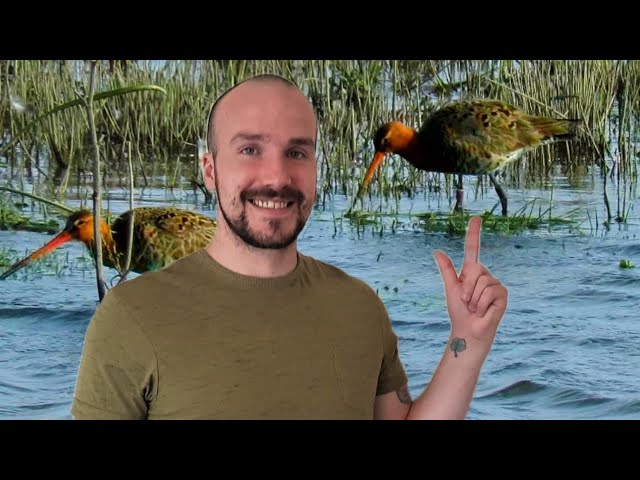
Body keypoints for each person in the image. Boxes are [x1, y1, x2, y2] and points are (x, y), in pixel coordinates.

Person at [70, 73, 508, 420]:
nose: (276, 177)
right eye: (249, 150)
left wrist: (467, 341)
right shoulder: (129, 315)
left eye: (297, 153)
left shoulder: (359, 306)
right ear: (209, 169)